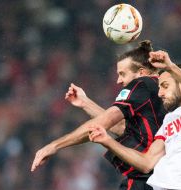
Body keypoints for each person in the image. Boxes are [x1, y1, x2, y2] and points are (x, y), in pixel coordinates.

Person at [31, 40, 166, 190]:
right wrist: (85, 103)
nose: (118, 80)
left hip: (145, 180)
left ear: (141, 72)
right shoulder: (159, 90)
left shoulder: (142, 84)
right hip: (160, 178)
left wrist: (55, 145)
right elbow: (122, 127)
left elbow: (104, 122)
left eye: (123, 74)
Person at [88, 50, 181, 190]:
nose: (160, 93)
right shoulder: (169, 119)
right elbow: (146, 162)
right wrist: (107, 141)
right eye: (159, 87)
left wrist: (170, 66)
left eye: (165, 86)